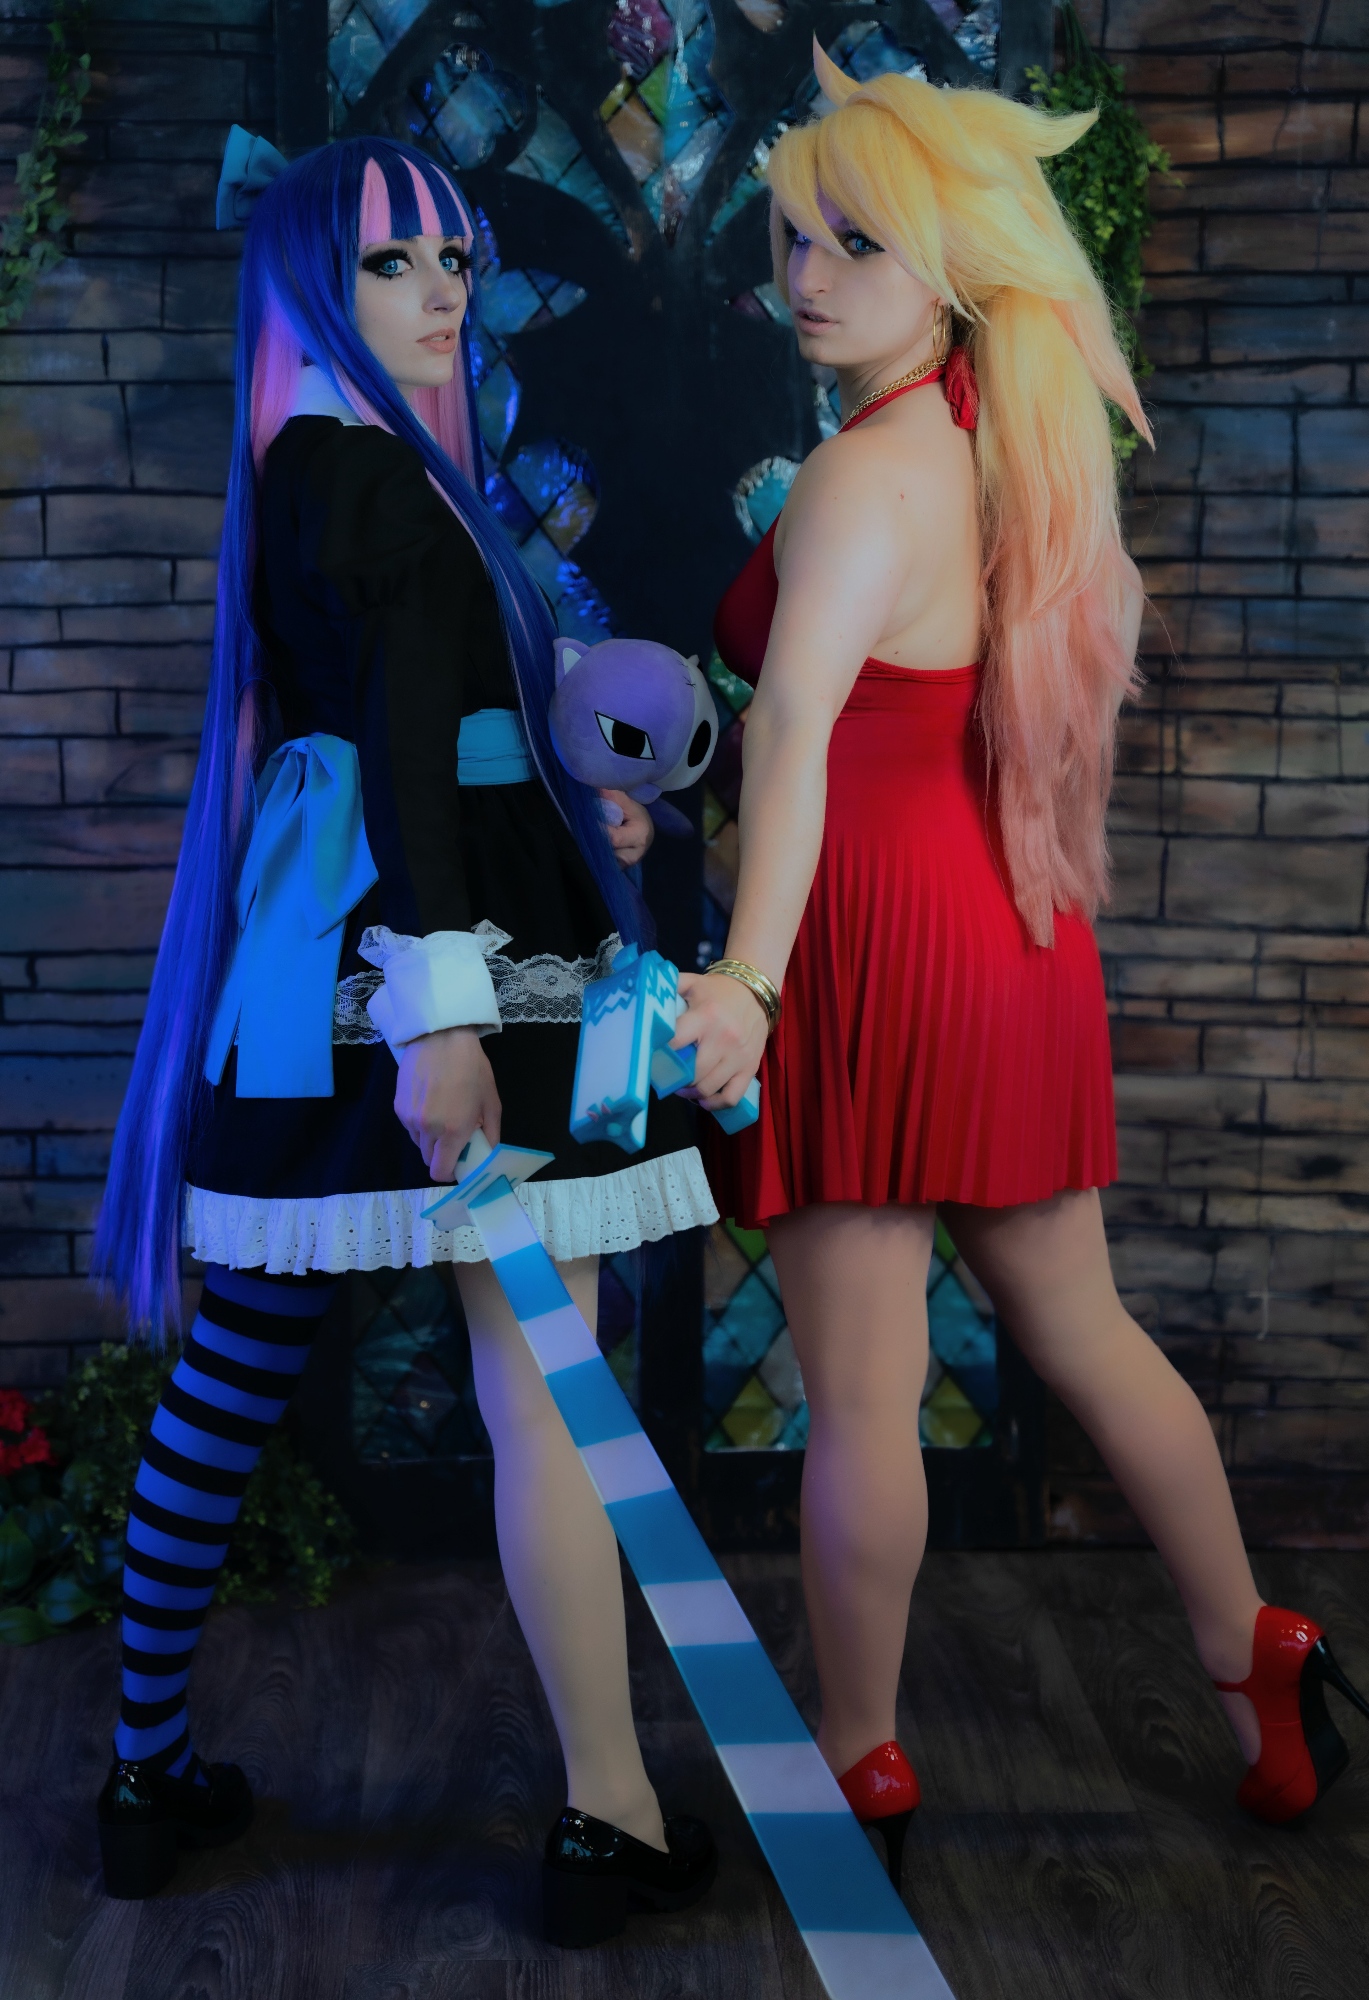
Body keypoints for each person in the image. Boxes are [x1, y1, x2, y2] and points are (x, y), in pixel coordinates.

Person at [675, 49, 1368, 1879]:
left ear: (951, 268)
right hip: (1011, 929)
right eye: (793, 236)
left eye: (858, 242)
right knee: (1084, 1329)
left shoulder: (861, 474)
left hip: (867, 938)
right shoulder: (1017, 455)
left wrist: (748, 981)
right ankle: (1253, 1650)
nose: (806, 272)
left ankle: (858, 1757)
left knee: (860, 1395)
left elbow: (797, 732)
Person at [90, 133, 718, 1937]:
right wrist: (444, 1014)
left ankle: (141, 1775)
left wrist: (571, 799)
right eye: (392, 263)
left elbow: (417, 733)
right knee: (540, 1379)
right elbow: (401, 763)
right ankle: (604, 1810)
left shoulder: (324, 464)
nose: (441, 290)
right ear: (311, 285)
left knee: (255, 1359)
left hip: (332, 948)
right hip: (433, 959)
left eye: (453, 255)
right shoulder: (367, 472)